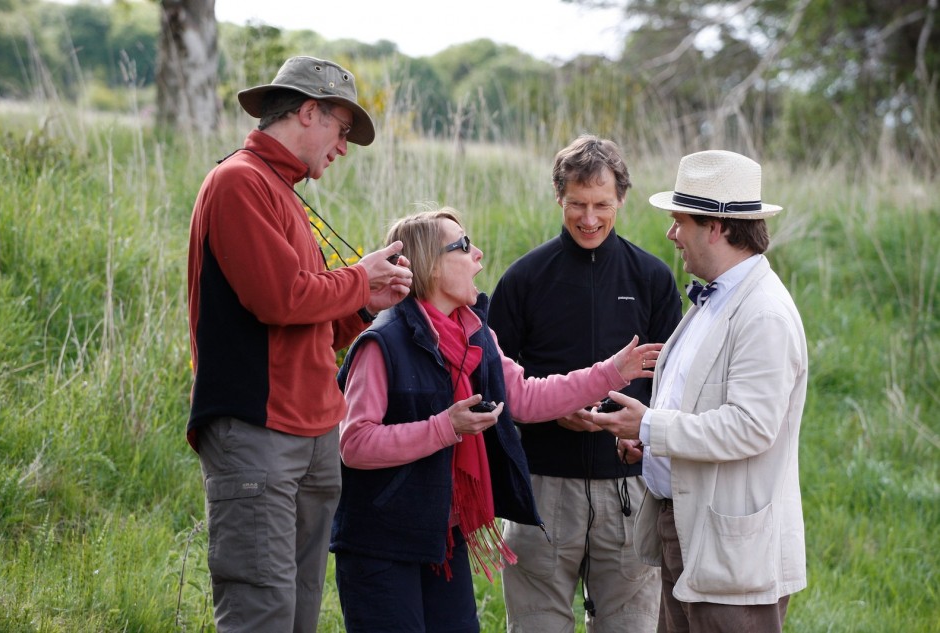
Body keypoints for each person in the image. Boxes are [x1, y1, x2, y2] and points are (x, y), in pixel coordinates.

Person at [329, 207, 664, 633]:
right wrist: (445, 428)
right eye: (463, 246)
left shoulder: (476, 336)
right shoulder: (381, 342)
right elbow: (354, 444)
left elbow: (525, 396)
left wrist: (611, 372)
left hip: (440, 534)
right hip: (381, 542)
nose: (479, 255)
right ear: (430, 264)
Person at [185, 55, 413, 632]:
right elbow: (280, 299)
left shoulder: (281, 191)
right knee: (262, 612)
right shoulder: (240, 181)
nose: (343, 147)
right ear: (309, 112)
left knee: (297, 613)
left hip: (308, 435)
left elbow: (304, 319)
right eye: (341, 130)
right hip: (259, 433)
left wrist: (364, 305)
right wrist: (360, 277)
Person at [590, 149, 808, 632]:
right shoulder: (714, 298)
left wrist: (648, 423)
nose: (671, 234)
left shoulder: (763, 314)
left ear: (716, 227)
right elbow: (696, 406)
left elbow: (751, 428)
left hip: (733, 557)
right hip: (688, 532)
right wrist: (648, 444)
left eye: (678, 221)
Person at [487, 134, 682, 632]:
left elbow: (673, 387)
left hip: (630, 491)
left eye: (601, 204)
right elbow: (498, 386)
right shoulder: (523, 279)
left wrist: (634, 429)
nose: (589, 218)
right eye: (577, 204)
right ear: (559, 197)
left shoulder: (653, 279)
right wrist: (553, 409)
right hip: (542, 489)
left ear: (621, 198)